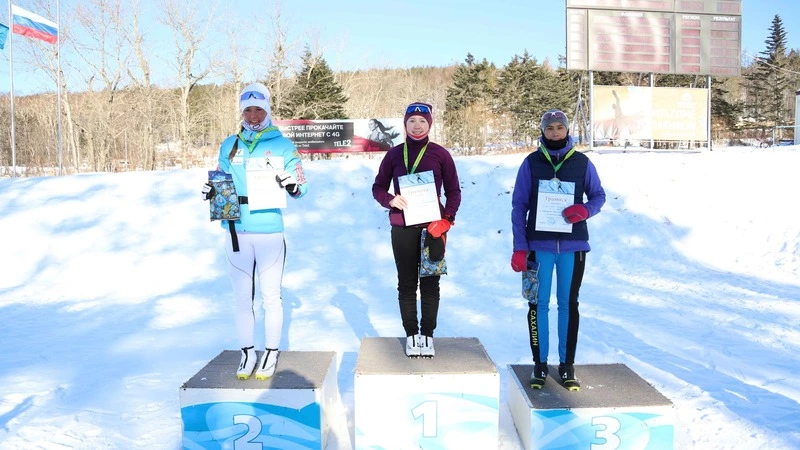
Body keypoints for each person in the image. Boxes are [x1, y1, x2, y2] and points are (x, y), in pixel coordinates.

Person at [202, 82, 307, 380]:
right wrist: (212, 190)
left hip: (269, 230)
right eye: (247, 109)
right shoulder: (229, 144)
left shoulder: (284, 145)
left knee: (271, 296)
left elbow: (302, 186)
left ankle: (271, 352)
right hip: (236, 230)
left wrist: (292, 185)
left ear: (268, 110)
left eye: (258, 108)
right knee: (241, 298)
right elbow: (222, 180)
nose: (252, 114)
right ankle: (247, 352)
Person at [510, 109, 605, 390]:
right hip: (538, 247)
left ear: (567, 130)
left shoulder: (582, 163)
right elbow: (519, 207)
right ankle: (540, 365)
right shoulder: (530, 163)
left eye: (559, 128)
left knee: (568, 304)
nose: (554, 132)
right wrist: (519, 246)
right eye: (549, 128)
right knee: (538, 304)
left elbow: (599, 196)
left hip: (573, 247)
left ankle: (566, 366)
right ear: (542, 131)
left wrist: (585, 210)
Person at [372, 102, 461, 358]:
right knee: (407, 283)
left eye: (422, 121)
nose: (417, 125)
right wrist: (389, 199)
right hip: (403, 227)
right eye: (412, 121)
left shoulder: (440, 154)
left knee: (431, 284)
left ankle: (428, 334)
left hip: (433, 229)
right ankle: (412, 334)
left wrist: (447, 219)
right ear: (405, 124)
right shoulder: (394, 154)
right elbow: (378, 186)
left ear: (430, 124)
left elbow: (454, 191)